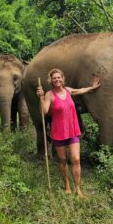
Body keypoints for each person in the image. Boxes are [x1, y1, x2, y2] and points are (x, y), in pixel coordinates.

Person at [37, 68, 101, 198]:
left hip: (72, 130)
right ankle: (66, 185)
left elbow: (80, 90)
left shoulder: (68, 90)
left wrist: (92, 87)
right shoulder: (49, 94)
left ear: (62, 79)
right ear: (51, 80)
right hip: (58, 132)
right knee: (62, 159)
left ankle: (78, 189)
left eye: (59, 77)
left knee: (76, 159)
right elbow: (44, 111)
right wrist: (41, 97)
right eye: (54, 78)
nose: (57, 80)